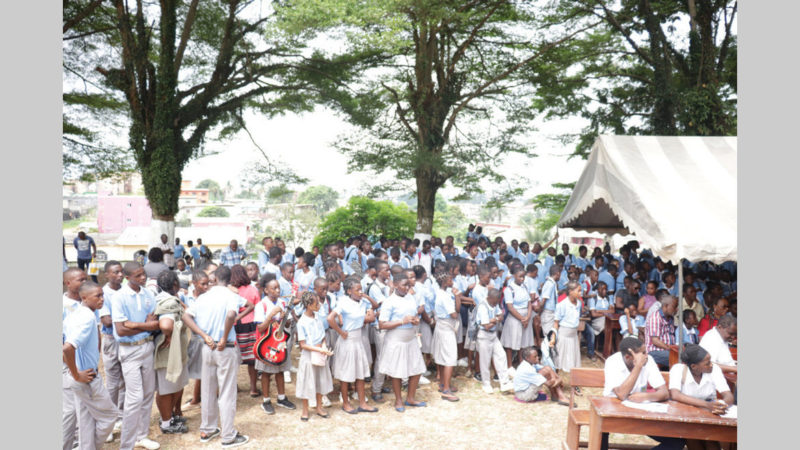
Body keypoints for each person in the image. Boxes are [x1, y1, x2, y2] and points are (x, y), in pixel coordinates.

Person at [181, 265, 249, 448]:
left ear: (216, 279)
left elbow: (186, 316)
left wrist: (203, 335)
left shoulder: (204, 297)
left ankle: (207, 429)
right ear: (230, 280)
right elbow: (232, 314)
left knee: (208, 389)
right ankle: (228, 436)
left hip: (207, 346)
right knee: (226, 391)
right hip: (224, 347)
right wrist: (226, 334)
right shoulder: (230, 296)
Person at [110, 262, 161, 450]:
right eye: (138, 276)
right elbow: (121, 331)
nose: (143, 278)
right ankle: (127, 444)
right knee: (134, 397)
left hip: (146, 347)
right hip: (128, 349)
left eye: (143, 274)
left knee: (148, 394)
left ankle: (142, 435)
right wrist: (143, 325)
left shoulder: (148, 294)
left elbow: (155, 323)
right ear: (127, 277)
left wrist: (133, 324)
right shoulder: (119, 297)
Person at [62, 281, 120, 450]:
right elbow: (67, 347)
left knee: (86, 421)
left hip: (80, 376)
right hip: (86, 378)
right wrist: (77, 374)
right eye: (98, 296)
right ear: (85, 298)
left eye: (102, 295)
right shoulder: (86, 317)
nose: (102, 299)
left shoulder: (76, 314)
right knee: (110, 416)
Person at [602, 337, 684, 450]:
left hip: (639, 412)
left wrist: (646, 396)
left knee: (676, 441)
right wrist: (638, 366)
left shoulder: (648, 360)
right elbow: (621, 394)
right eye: (643, 353)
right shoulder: (612, 362)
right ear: (628, 357)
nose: (646, 355)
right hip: (613, 412)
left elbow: (664, 393)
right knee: (600, 431)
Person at [327, 276, 378, 414]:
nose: (360, 292)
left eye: (361, 289)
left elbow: (375, 306)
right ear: (349, 291)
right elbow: (330, 318)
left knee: (360, 373)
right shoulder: (343, 302)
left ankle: (362, 403)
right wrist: (341, 332)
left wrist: (366, 296)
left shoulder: (362, 302)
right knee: (346, 374)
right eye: (357, 290)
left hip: (358, 339)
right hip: (347, 340)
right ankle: (345, 403)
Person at [668, 345, 734, 450]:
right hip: (687, 413)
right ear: (694, 366)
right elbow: (675, 395)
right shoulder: (678, 369)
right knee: (693, 438)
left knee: (711, 442)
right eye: (707, 363)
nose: (711, 365)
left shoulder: (714, 369)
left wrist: (721, 405)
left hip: (710, 413)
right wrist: (707, 405)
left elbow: (728, 395)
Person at [378, 272, 427, 413]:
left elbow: (414, 314)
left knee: (417, 369)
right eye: (404, 285)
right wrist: (401, 321)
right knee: (397, 371)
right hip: (396, 339)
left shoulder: (410, 297)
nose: (407, 288)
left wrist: (415, 320)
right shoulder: (390, 301)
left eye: (409, 285)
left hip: (410, 338)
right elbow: (382, 324)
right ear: (395, 284)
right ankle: (398, 400)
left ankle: (410, 398)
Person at [152, 271, 190, 434]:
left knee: (174, 385)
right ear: (175, 284)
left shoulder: (164, 298)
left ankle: (169, 416)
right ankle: (167, 423)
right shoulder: (169, 302)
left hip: (174, 350)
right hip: (169, 351)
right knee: (167, 388)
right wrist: (168, 334)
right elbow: (166, 325)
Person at [252, 278, 297, 415]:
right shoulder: (262, 305)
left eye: (278, 287)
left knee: (280, 370)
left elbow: (287, 325)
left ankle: (281, 397)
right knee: (266, 372)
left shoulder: (283, 303)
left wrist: (285, 318)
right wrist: (271, 316)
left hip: (279, 342)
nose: (277, 290)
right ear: (266, 290)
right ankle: (266, 400)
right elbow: (260, 328)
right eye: (274, 288)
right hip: (267, 343)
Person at [295, 291, 335, 421]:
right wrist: (318, 349)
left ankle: (319, 406)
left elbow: (322, 335)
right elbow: (303, 344)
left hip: (319, 352)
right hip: (309, 355)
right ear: (308, 305)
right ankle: (305, 410)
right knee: (307, 381)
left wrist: (323, 346)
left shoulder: (317, 317)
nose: (318, 305)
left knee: (320, 380)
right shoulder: (302, 322)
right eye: (316, 303)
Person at [99, 261, 125, 440]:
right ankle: (108, 421)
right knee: (113, 382)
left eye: (121, 272)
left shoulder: (126, 290)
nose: (120, 275)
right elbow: (107, 321)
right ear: (107, 275)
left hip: (126, 340)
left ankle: (121, 416)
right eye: (116, 272)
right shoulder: (103, 293)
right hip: (111, 340)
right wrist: (127, 321)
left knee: (125, 380)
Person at [62, 268, 88, 450]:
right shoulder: (62, 307)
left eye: (86, 279)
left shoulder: (87, 302)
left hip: (85, 367)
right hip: (68, 366)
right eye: (80, 280)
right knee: (69, 411)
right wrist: (73, 371)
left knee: (83, 411)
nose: (84, 283)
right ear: (68, 283)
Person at [475, 288, 513, 394]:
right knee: (485, 361)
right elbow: (486, 326)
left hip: (493, 335)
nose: (496, 303)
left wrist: (494, 320)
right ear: (489, 298)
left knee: (501, 355)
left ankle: (504, 382)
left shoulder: (494, 304)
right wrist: (496, 320)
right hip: (484, 336)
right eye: (495, 301)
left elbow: (500, 315)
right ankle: (486, 384)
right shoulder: (483, 306)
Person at [229, 265, 259, 397]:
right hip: (251, 325)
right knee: (252, 360)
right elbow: (258, 308)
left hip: (235, 325)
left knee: (233, 359)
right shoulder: (253, 290)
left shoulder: (231, 291)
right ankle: (253, 388)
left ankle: (234, 387)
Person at [431, 271, 461, 402]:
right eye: (450, 280)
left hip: (441, 326)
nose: (452, 282)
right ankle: (446, 390)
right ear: (444, 282)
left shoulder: (440, 293)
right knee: (450, 358)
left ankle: (443, 383)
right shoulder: (446, 297)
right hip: (446, 328)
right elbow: (455, 314)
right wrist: (458, 297)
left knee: (443, 356)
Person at [501, 266, 534, 372]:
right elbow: (510, 307)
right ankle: (510, 366)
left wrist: (528, 317)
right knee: (511, 343)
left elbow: (529, 303)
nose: (522, 279)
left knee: (523, 342)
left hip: (525, 317)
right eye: (520, 277)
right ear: (514, 276)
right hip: (515, 318)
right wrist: (522, 319)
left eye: (523, 276)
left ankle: (521, 363)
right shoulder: (509, 289)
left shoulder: (525, 287)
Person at [552, 281, 583, 387]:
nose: (580, 293)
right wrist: (553, 338)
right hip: (563, 335)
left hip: (573, 336)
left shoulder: (578, 303)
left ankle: (576, 384)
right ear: (570, 291)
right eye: (578, 290)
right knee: (559, 359)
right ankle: (555, 381)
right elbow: (556, 323)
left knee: (574, 360)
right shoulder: (562, 305)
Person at [644, 294, 678, 369]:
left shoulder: (670, 318)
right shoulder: (656, 317)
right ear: (666, 306)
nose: (677, 309)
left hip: (667, 350)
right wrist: (670, 348)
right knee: (678, 358)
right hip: (654, 351)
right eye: (674, 307)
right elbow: (655, 341)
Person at [585, 280, 613, 361]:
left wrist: (599, 311)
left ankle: (610, 349)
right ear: (598, 290)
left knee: (611, 326)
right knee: (607, 327)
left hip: (607, 319)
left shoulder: (608, 298)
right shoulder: (593, 298)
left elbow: (613, 311)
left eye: (606, 289)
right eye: (603, 289)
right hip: (596, 321)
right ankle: (607, 351)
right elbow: (593, 314)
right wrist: (606, 313)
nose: (605, 291)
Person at [540, 265, 561, 338]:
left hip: (552, 312)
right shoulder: (549, 284)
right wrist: (539, 313)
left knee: (552, 335)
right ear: (558, 273)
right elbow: (543, 300)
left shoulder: (553, 283)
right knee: (548, 335)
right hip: (547, 312)